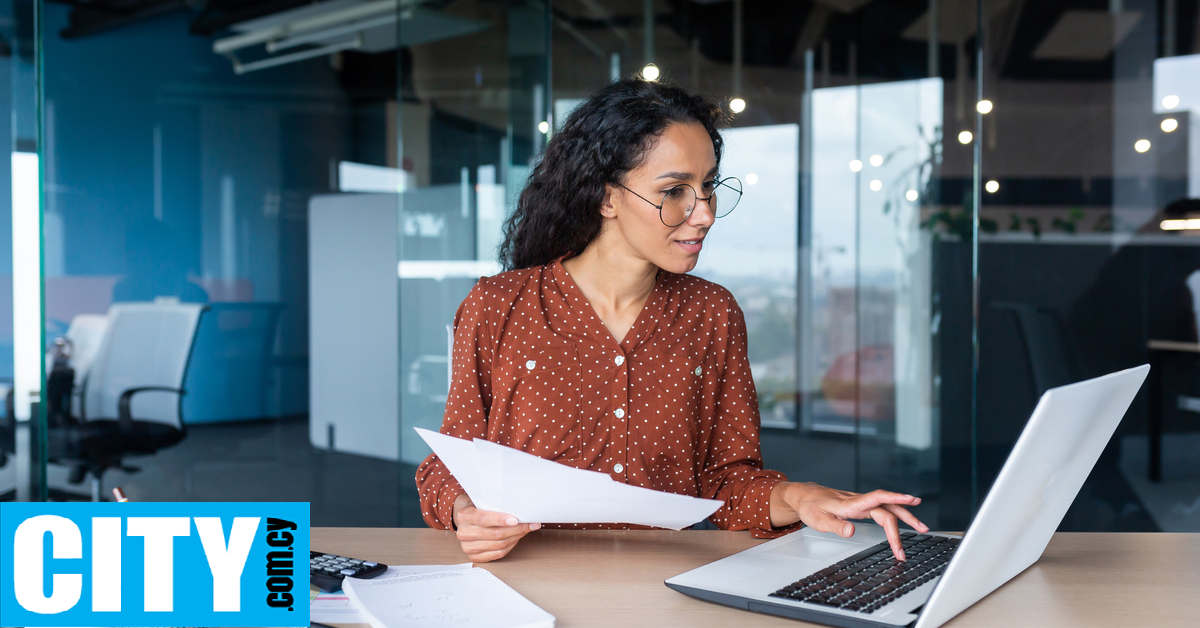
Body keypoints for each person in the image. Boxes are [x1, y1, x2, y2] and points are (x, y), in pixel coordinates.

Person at [415, 79, 927, 563]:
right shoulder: (498, 306)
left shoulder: (712, 314)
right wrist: (465, 513)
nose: (702, 212)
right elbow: (449, 466)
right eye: (675, 190)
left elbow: (728, 485)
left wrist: (802, 496)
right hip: (521, 582)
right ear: (606, 196)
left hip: (663, 586)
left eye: (707, 187)